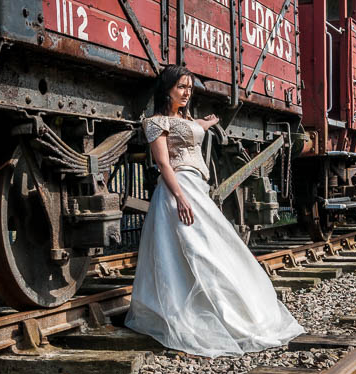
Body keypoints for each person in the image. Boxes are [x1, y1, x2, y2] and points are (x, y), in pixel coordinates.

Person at [124, 65, 305, 358]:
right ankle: (190, 310)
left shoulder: (185, 119)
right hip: (179, 190)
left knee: (209, 247)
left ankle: (222, 306)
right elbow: (164, 164)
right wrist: (180, 199)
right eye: (181, 87)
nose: (186, 92)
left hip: (198, 187)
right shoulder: (155, 122)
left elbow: (191, 131)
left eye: (189, 88)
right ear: (167, 88)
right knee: (192, 250)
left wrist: (206, 124)